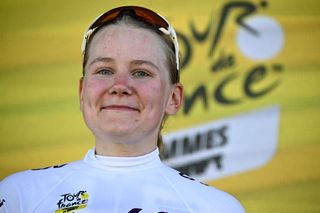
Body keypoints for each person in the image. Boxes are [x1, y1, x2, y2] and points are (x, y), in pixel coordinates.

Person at [0, 6, 245, 213]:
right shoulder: (19, 195)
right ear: (82, 91)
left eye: (141, 72)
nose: (119, 86)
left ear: (173, 97)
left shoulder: (217, 208)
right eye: (104, 70)